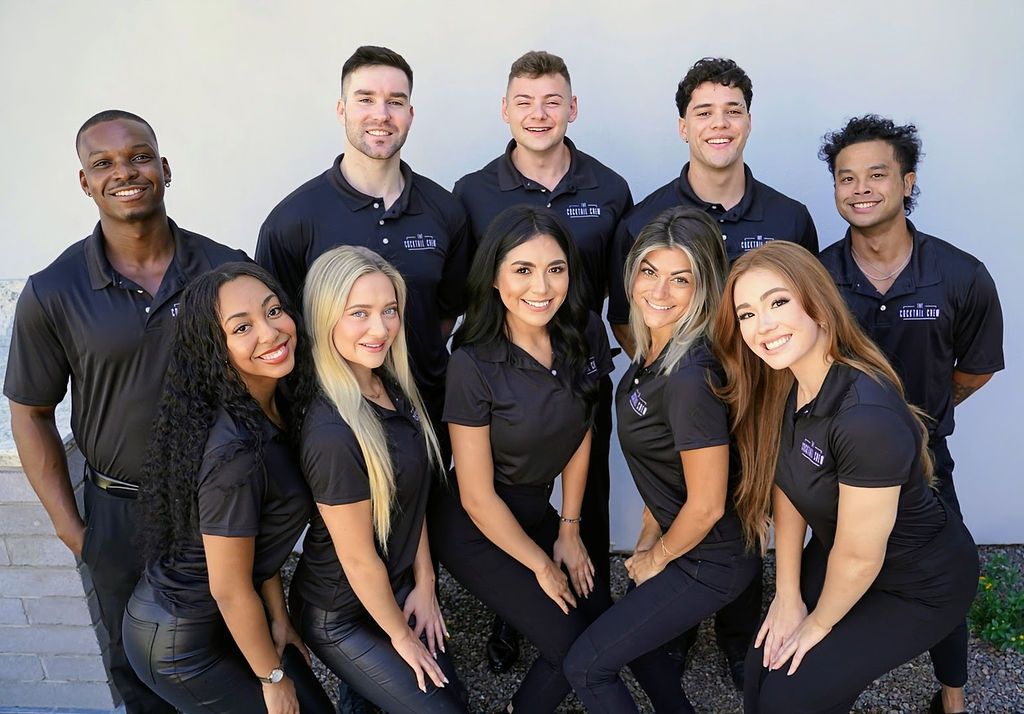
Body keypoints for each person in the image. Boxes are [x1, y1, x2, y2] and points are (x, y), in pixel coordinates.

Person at [3, 110, 247, 714]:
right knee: (140, 674)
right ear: (84, 182)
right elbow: (31, 412)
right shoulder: (53, 290)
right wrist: (72, 527)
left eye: (139, 156)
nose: (125, 172)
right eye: (103, 163)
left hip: (218, 507)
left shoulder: (226, 268)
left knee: (238, 661)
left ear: (164, 168)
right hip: (118, 515)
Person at [606, 59, 817, 685]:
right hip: (688, 400)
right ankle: (675, 630)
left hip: (765, 405)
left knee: (746, 516)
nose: (718, 124)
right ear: (682, 126)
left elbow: (806, 313)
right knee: (685, 500)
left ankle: (739, 638)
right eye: (704, 111)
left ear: (749, 121)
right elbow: (632, 318)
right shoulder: (645, 218)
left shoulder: (788, 217)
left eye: (732, 110)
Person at [713, 241, 979, 713]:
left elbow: (859, 558)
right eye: (747, 313)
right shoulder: (787, 383)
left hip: (918, 584)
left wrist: (815, 626)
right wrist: (788, 595)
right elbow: (788, 486)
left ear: (816, 303)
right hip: (847, 557)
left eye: (777, 302)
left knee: (791, 693)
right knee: (761, 668)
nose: (763, 325)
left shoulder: (863, 417)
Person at [453, 48, 633, 671]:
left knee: (588, 483)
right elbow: (467, 289)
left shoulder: (610, 188)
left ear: (573, 108)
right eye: (525, 102)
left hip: (579, 365)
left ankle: (594, 604)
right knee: (510, 488)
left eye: (552, 101)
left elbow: (617, 293)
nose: (539, 114)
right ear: (505, 111)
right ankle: (513, 618)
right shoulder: (472, 192)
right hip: (506, 374)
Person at [817, 115, 1004, 714]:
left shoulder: (961, 274)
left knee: (940, 584)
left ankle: (951, 698)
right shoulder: (816, 276)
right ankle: (823, 687)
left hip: (924, 465)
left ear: (907, 182)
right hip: (833, 466)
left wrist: (912, 424)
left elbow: (974, 371)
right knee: (830, 577)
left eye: (877, 174)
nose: (861, 187)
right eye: (847, 177)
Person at [563, 207, 759, 713]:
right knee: (646, 656)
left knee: (586, 666)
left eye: (681, 279)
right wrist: (648, 538)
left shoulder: (690, 377)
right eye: (650, 272)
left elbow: (708, 504)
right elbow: (666, 474)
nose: (659, 292)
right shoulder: (650, 356)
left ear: (705, 287)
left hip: (710, 560)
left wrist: (658, 556)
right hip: (686, 546)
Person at [428, 205, 613, 713]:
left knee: (599, 623)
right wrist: (540, 564)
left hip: (535, 509)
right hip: (473, 522)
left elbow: (582, 431)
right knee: (570, 643)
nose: (542, 286)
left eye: (556, 269)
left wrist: (569, 531)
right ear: (493, 277)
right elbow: (476, 495)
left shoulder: (584, 332)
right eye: (523, 270)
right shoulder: (473, 362)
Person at [121, 263, 328, 713]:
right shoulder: (234, 454)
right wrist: (271, 679)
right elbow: (229, 588)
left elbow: (254, 543)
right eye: (242, 327)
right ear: (215, 348)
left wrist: (279, 617)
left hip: (230, 619)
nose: (270, 333)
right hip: (181, 645)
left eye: (274, 311)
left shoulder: (272, 406)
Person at [256, 45, 469, 451]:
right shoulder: (293, 220)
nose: (381, 114)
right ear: (341, 110)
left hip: (429, 423)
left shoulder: (446, 211)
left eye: (395, 101)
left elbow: (445, 314)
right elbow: (279, 333)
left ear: (410, 114)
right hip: (336, 432)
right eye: (366, 99)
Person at [287, 246, 466, 713]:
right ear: (326, 319)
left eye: (389, 311)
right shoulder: (331, 430)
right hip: (339, 612)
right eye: (359, 313)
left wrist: (426, 584)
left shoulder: (389, 385)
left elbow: (412, 497)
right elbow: (358, 557)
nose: (380, 328)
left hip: (397, 583)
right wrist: (400, 637)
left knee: (445, 696)